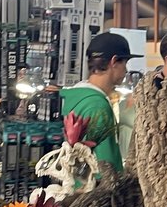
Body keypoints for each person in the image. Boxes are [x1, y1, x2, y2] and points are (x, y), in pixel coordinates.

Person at [59, 32, 140, 172]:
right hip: (98, 191)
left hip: (78, 187)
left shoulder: (78, 97)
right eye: (124, 63)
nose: (126, 70)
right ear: (114, 62)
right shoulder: (98, 106)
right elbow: (106, 167)